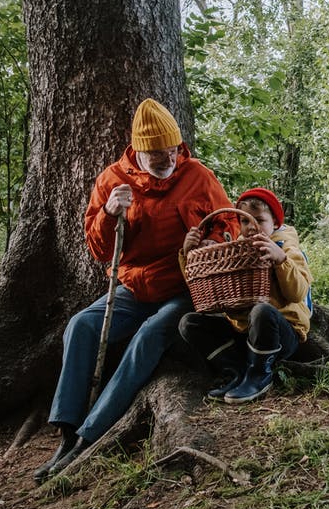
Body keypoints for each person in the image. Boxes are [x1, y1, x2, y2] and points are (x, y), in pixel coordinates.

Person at [33, 98, 235, 483]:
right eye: (158, 155)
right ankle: (66, 431)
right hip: (134, 286)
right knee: (81, 326)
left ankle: (92, 434)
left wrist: (215, 242)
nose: (167, 161)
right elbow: (99, 249)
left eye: (173, 151)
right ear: (139, 151)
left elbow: (226, 224)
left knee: (149, 335)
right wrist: (109, 213)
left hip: (184, 286)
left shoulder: (198, 176)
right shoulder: (112, 179)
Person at [178, 187, 313, 404]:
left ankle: (260, 374)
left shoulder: (287, 249)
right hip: (246, 335)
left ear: (275, 223)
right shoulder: (237, 251)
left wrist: (281, 261)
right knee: (189, 323)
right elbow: (206, 288)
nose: (252, 227)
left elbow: (297, 293)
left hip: (281, 333)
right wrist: (189, 254)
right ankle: (237, 370)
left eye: (259, 220)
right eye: (246, 222)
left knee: (261, 310)